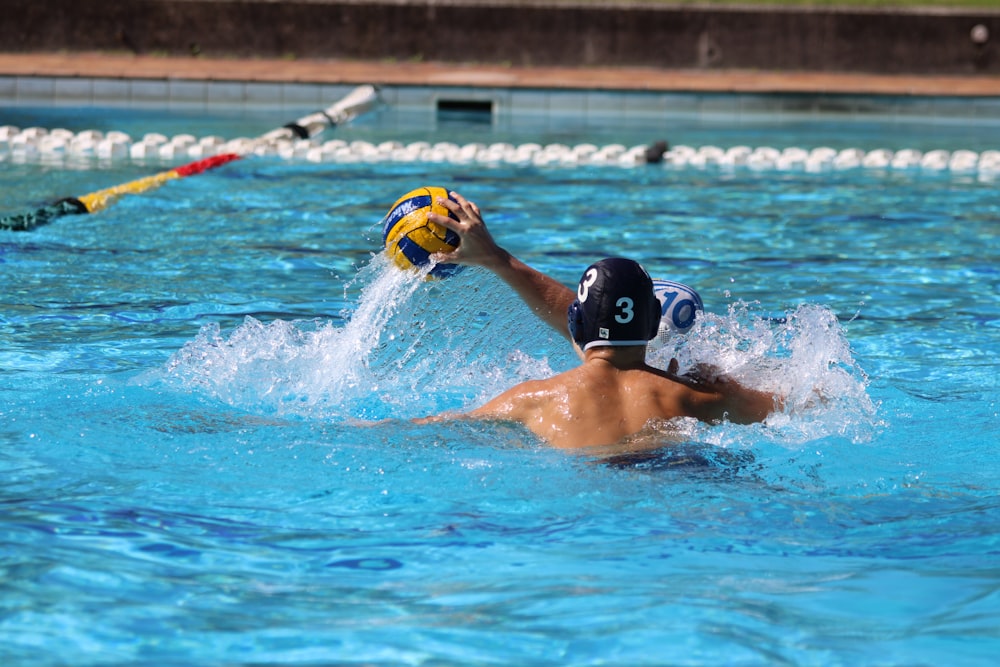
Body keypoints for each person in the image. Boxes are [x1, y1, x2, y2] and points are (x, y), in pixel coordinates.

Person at [416, 191, 781, 448]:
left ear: (576, 323)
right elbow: (798, 403)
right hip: (675, 479)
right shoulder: (695, 396)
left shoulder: (532, 398)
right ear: (652, 325)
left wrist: (496, 258)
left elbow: (439, 428)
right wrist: (723, 383)